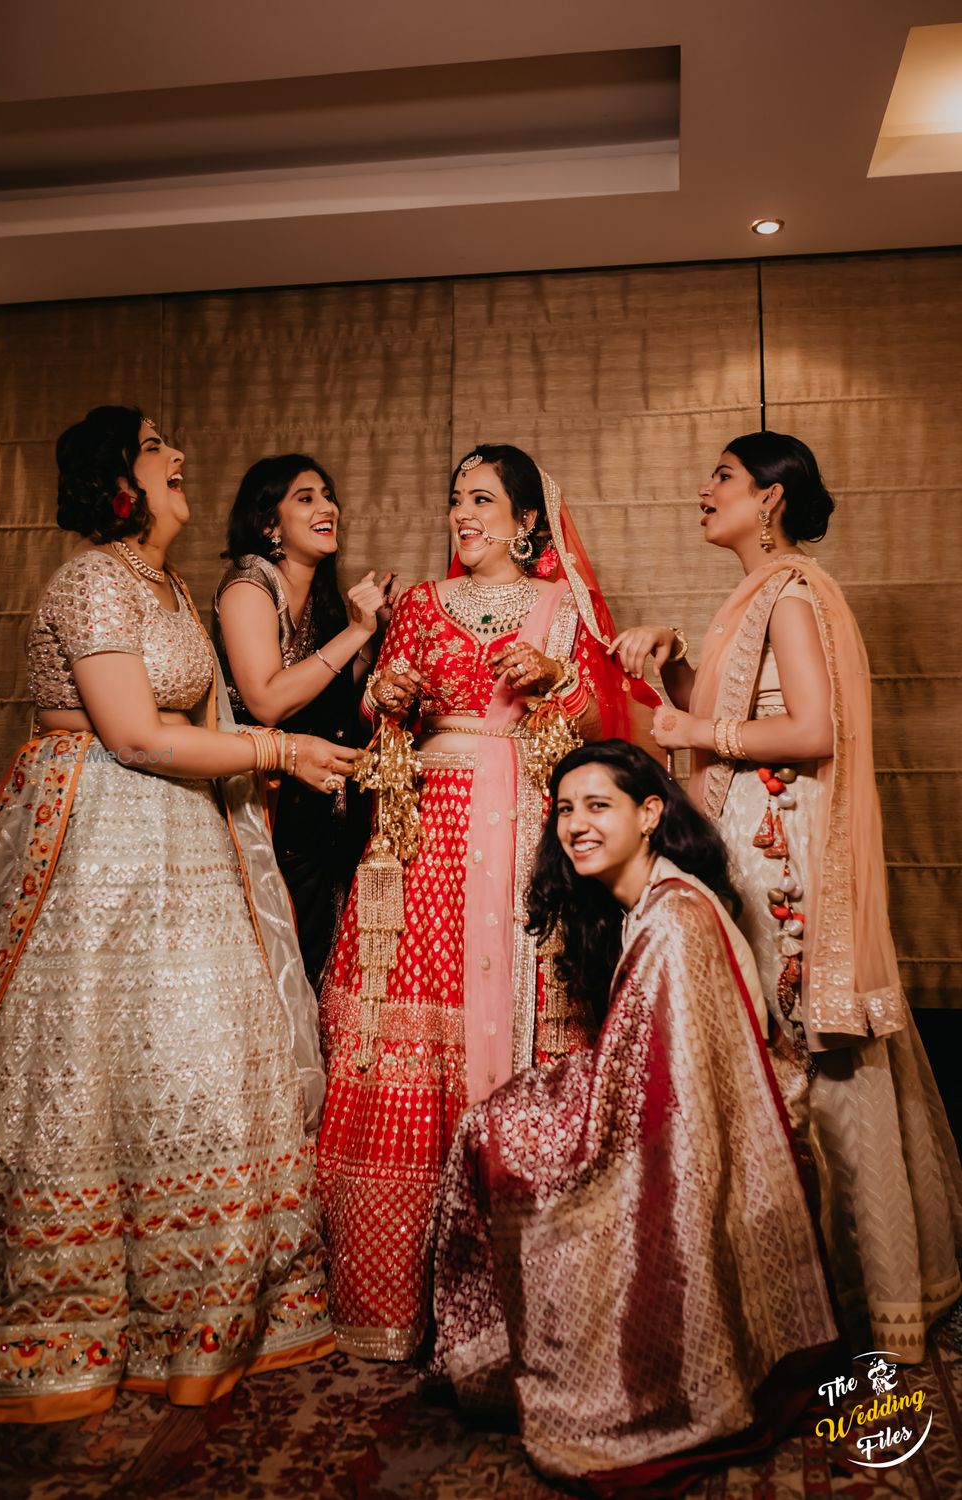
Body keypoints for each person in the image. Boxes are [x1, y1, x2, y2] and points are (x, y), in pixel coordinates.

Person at [0, 406, 355, 1421]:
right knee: (103, 1078)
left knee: (209, 1062)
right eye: (156, 446)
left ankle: (210, 1316)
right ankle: (87, 1326)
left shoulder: (165, 584)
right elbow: (135, 736)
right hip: (102, 848)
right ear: (121, 481)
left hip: (184, 842)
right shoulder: (93, 578)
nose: (181, 456)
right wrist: (282, 753)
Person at [613, 430, 962, 1362]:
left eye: (722, 476)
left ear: (771, 496)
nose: (703, 491)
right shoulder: (760, 592)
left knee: (812, 1050)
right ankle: (811, 1290)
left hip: (787, 856)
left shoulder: (795, 590)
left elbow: (807, 730)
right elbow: (742, 720)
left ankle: (861, 1303)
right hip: (762, 843)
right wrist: (672, 681)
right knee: (783, 1057)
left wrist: (693, 723)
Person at [316, 444, 659, 1359]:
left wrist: (557, 685)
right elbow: (383, 711)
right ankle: (404, 1298)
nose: (462, 515)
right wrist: (386, 693)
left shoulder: (559, 605)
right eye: (455, 499)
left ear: (526, 522)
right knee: (419, 1025)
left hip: (525, 828)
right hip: (428, 835)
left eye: (481, 500)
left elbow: (601, 716)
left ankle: (538, 1291)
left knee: (527, 1009)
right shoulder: (420, 603)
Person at [429, 741, 838, 1492]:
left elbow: (660, 1099)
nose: (575, 825)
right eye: (564, 810)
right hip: (670, 1111)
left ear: (650, 814)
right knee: (497, 1119)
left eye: (598, 806)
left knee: (491, 1138)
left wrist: (537, 1113)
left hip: (688, 1140)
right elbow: (642, 1059)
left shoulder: (673, 921)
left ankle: (625, 1384)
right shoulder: (652, 903)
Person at [213, 454, 393, 987]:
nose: (327, 507)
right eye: (306, 497)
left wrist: (374, 636)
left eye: (329, 495)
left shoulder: (321, 598)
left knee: (320, 956)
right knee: (276, 961)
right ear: (270, 523)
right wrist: (355, 636)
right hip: (259, 802)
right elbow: (266, 701)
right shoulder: (248, 583)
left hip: (316, 804)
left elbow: (329, 699)